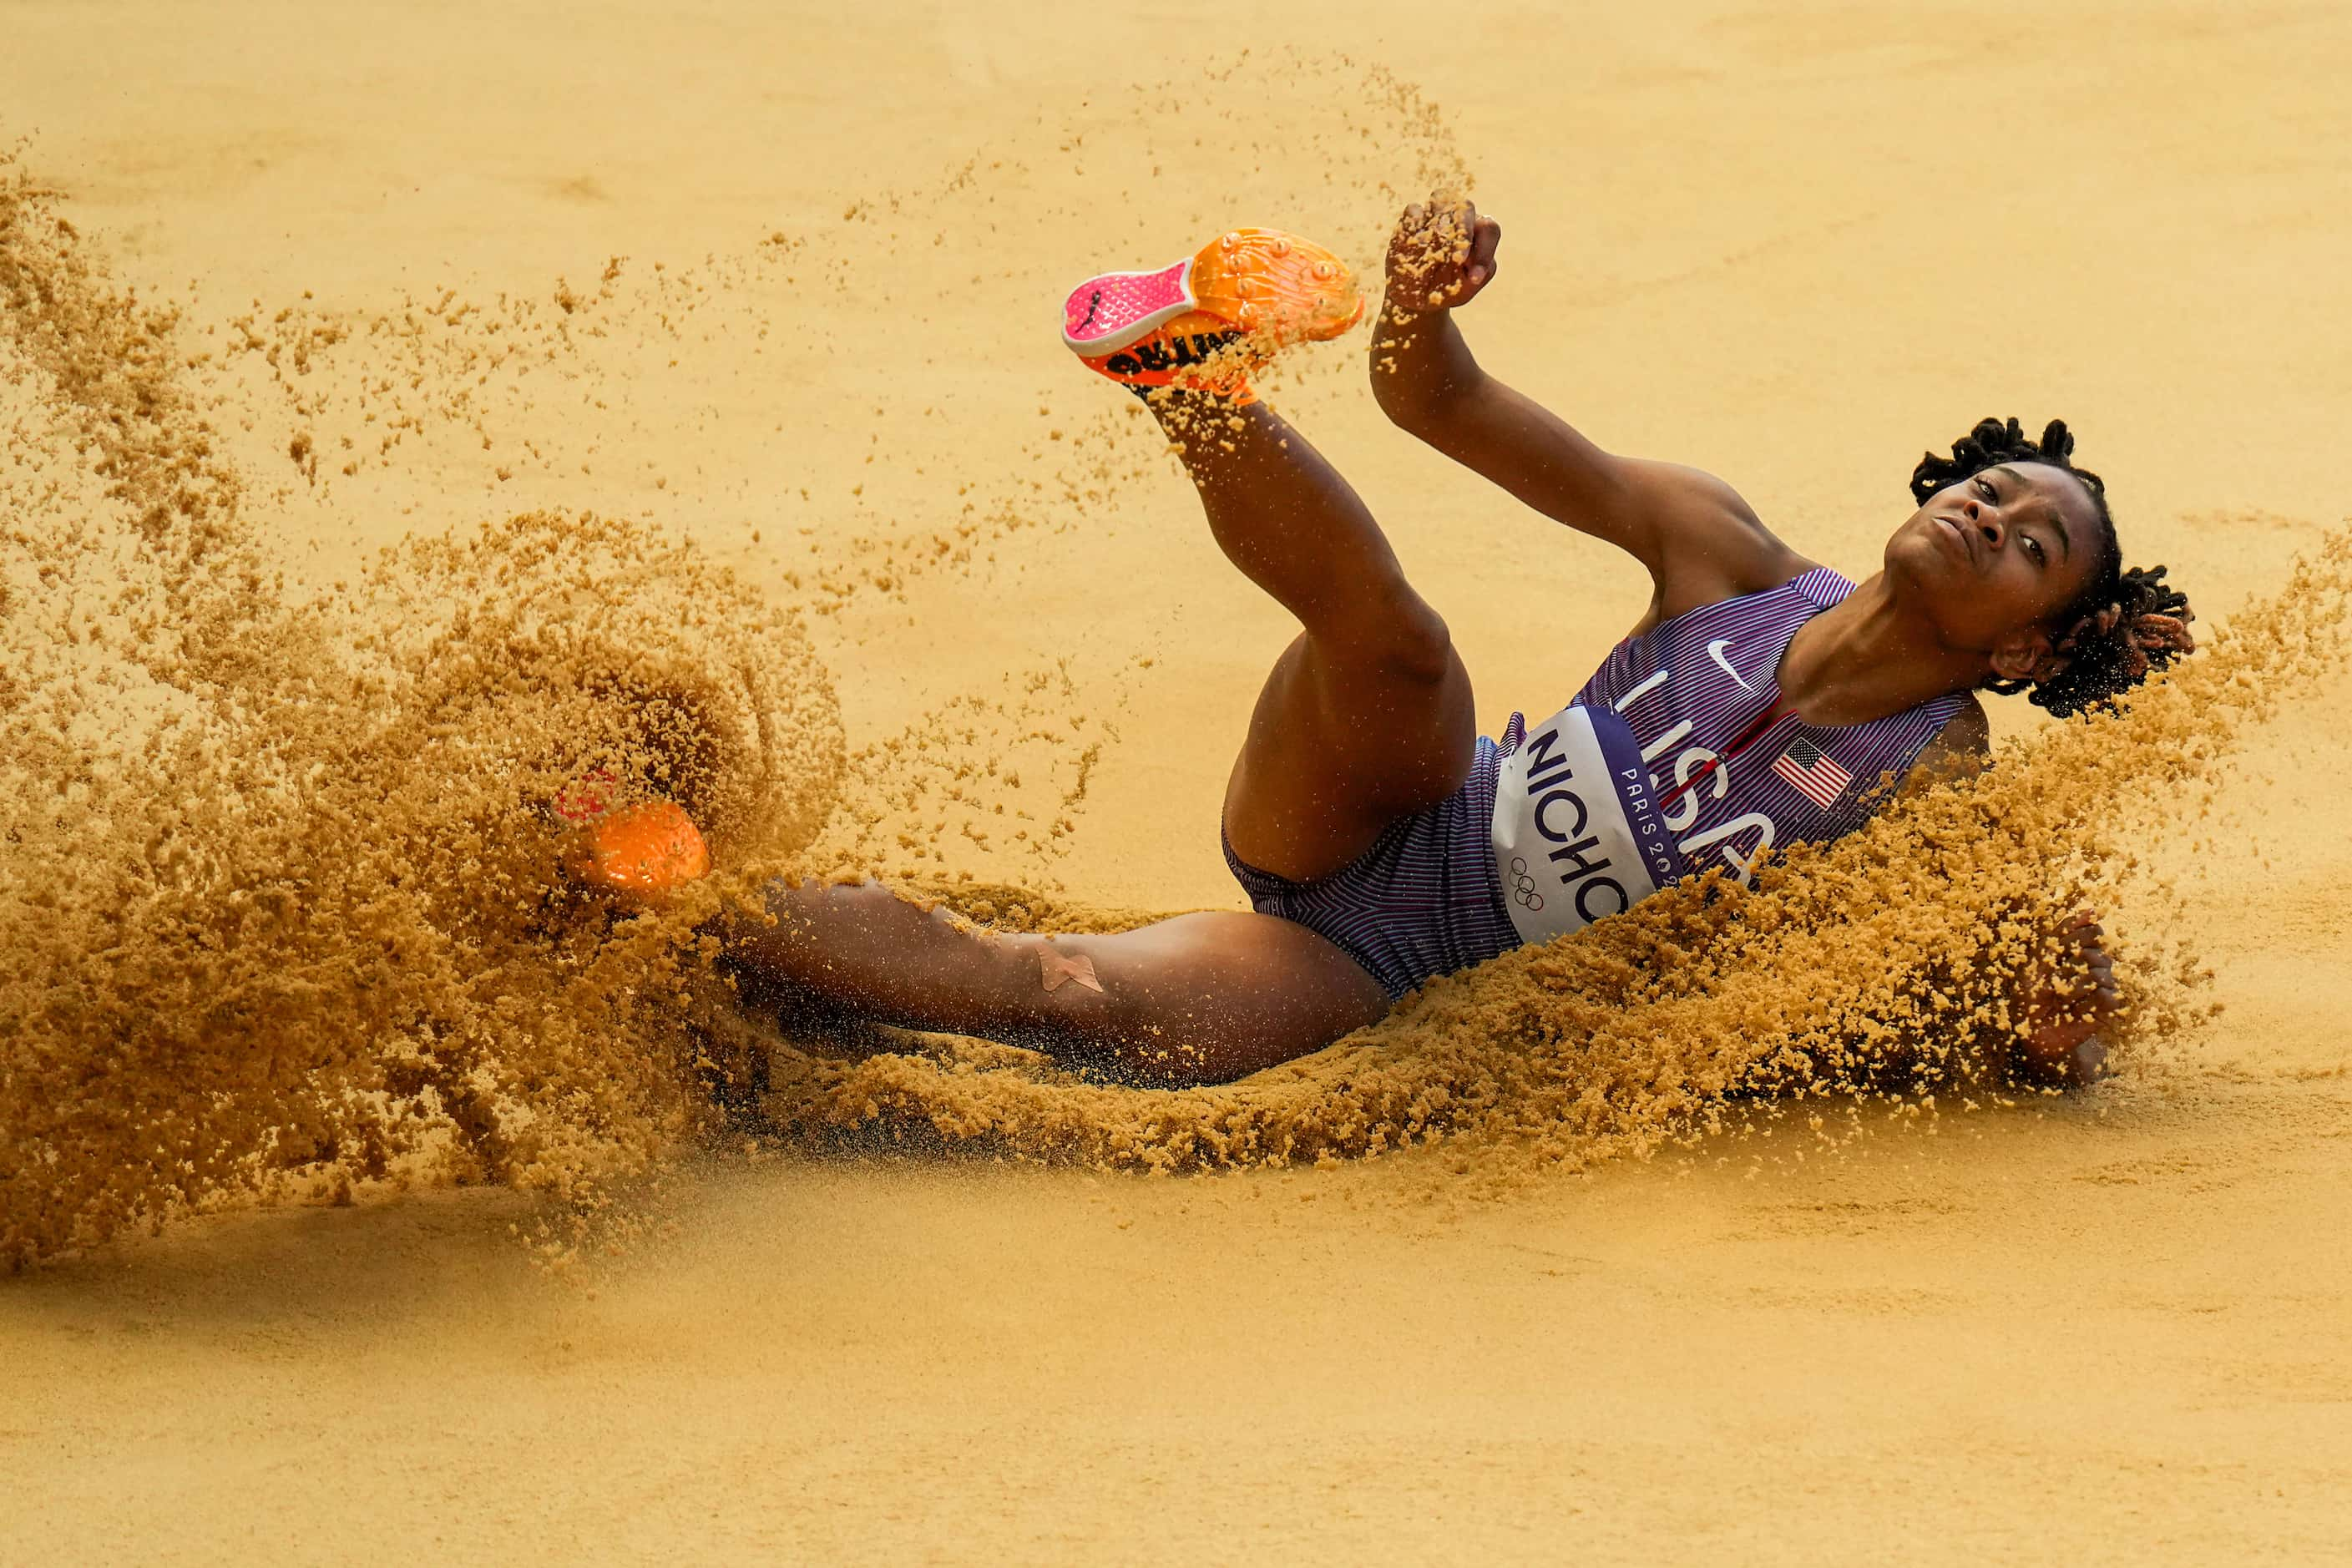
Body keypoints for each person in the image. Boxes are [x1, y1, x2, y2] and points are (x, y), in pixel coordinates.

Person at [579, 204, 2193, 1090]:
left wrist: (2137, 730)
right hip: (1393, 807)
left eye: (2032, 541)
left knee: (1053, 986)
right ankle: (1186, 382)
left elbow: (2054, 1010)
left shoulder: (1942, 787)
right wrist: (1424, 299)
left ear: (2030, 651)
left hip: (1392, 974)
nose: (1991, 514)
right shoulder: (1726, 550)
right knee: (1404, 643)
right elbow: (1440, 402)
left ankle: (665, 884)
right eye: (1992, 486)